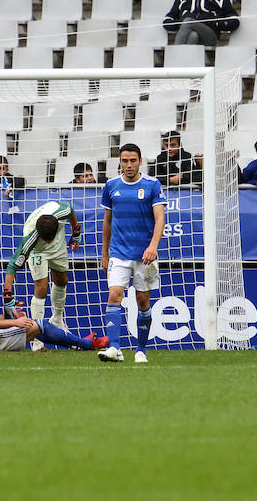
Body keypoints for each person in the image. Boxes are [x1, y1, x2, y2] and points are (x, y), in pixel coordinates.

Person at [97, 143, 167, 364]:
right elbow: (107, 221)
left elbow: (160, 218)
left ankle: (141, 350)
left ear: (140, 161)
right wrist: (105, 253)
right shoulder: (111, 186)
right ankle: (115, 348)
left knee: (142, 301)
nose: (128, 165)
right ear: (120, 161)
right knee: (114, 295)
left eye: (132, 161)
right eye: (124, 161)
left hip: (145, 255)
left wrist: (153, 246)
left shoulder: (152, 185)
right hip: (118, 253)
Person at [0, 251, 108, 353]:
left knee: (33, 325)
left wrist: (11, 318)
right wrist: (14, 323)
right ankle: (88, 344)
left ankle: (78, 344)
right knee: (40, 324)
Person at [2, 201, 82, 351]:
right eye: (45, 239)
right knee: (41, 288)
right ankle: (37, 337)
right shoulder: (30, 239)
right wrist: (7, 295)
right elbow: (12, 265)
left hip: (58, 246)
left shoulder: (61, 212)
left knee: (62, 280)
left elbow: (71, 211)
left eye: (48, 239)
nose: (47, 241)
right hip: (38, 252)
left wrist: (76, 231)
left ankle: (57, 319)